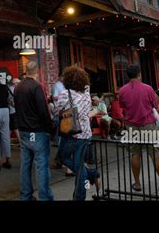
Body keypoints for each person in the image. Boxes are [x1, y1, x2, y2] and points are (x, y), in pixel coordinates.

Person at [119, 65, 159, 194]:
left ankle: (137, 183)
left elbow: (123, 107)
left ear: (128, 76)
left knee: (135, 154)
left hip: (131, 126)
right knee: (155, 154)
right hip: (148, 124)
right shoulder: (148, 88)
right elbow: (154, 105)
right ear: (139, 74)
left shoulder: (122, 90)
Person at [53, 66, 100, 201]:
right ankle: (84, 187)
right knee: (79, 165)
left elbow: (56, 112)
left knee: (63, 158)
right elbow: (88, 111)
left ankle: (89, 176)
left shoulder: (65, 94)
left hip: (72, 134)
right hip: (86, 133)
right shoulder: (86, 93)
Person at [14, 61, 54, 201]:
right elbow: (43, 111)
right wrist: (50, 129)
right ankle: (45, 197)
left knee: (25, 165)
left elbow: (16, 108)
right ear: (37, 71)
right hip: (37, 131)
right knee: (41, 165)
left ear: (26, 70)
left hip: (24, 131)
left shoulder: (17, 87)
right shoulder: (36, 87)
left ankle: (25, 196)